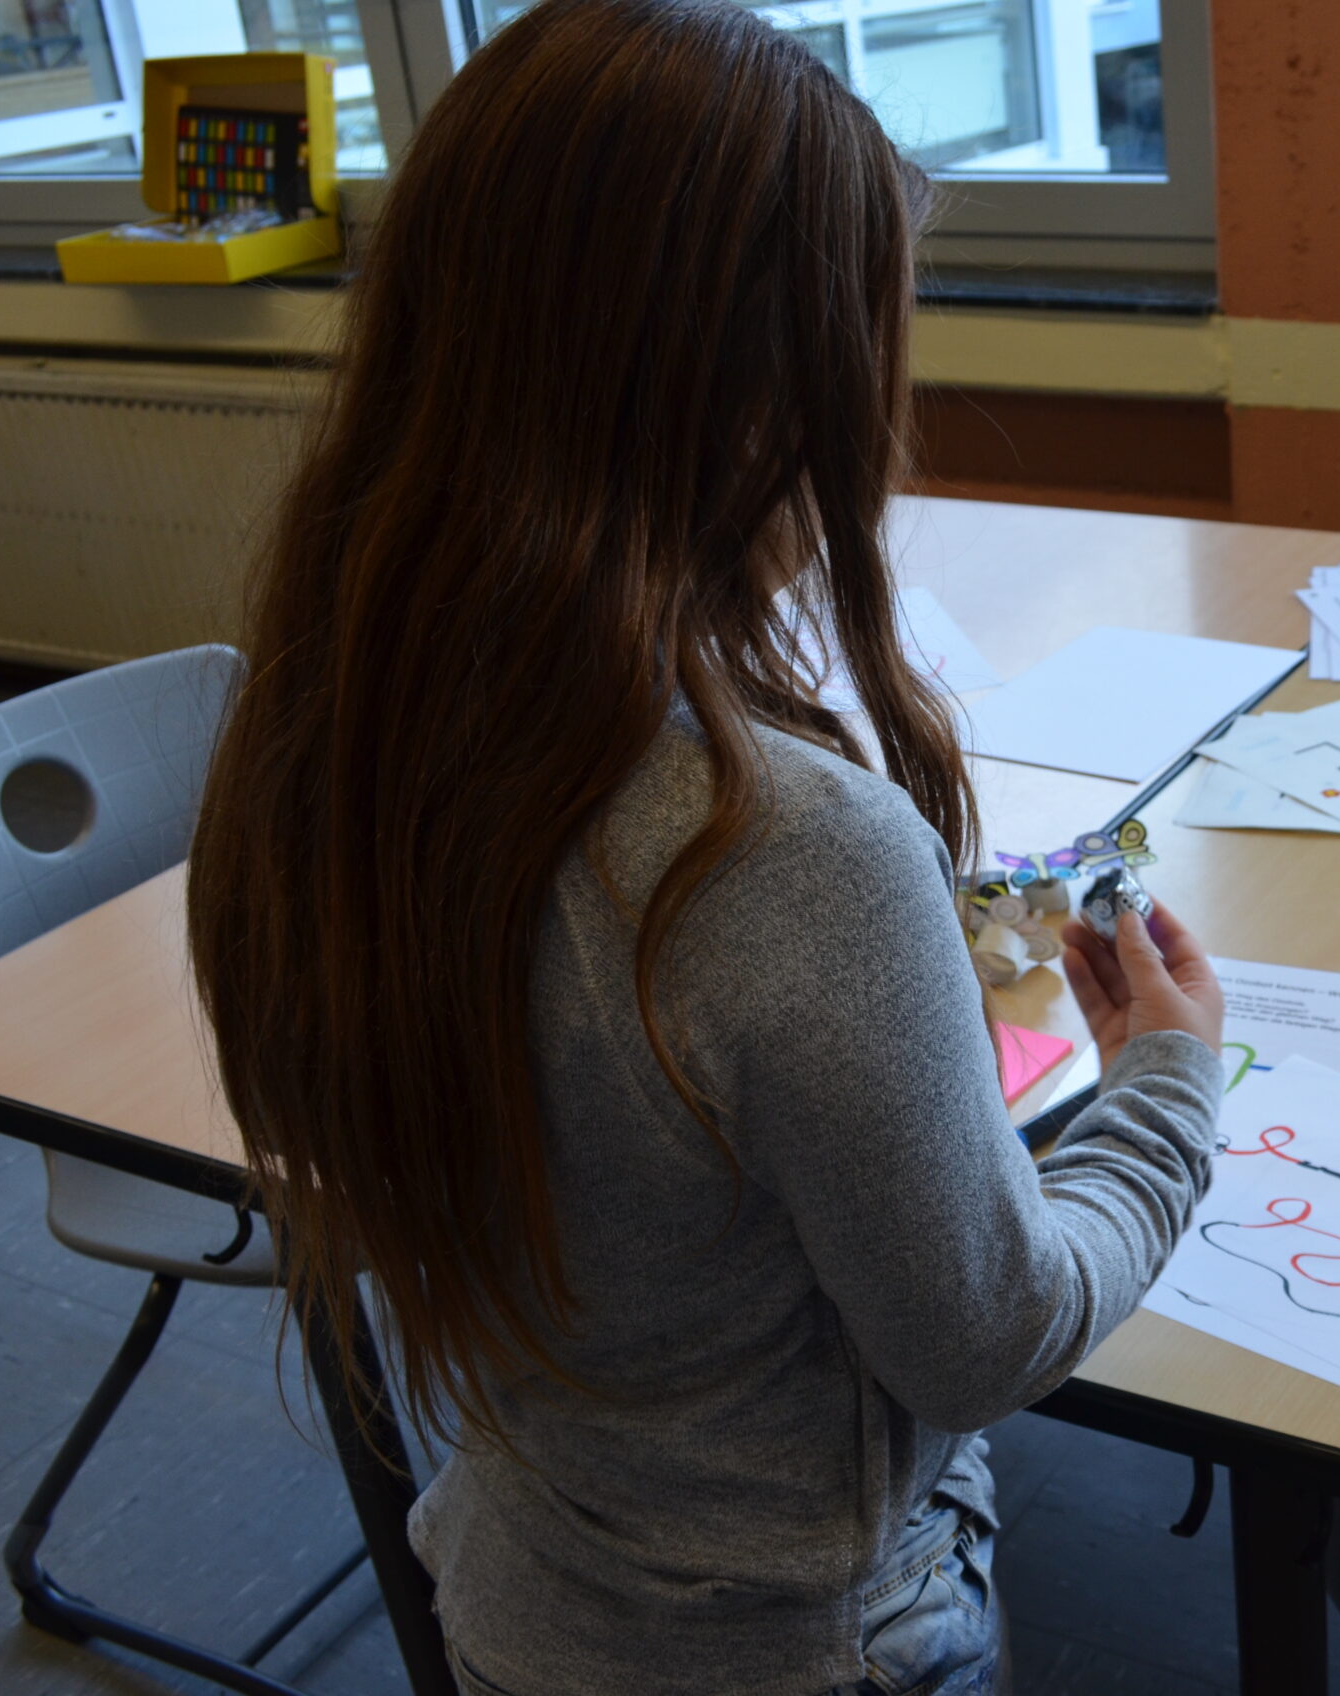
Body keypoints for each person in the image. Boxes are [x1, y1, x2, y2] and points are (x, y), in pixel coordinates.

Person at [182, 3, 1225, 1692]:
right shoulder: (785, 854)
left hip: (523, 1593)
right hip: (803, 1649)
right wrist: (1170, 1088)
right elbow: (988, 1339)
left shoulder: (334, 723)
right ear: (754, 407)